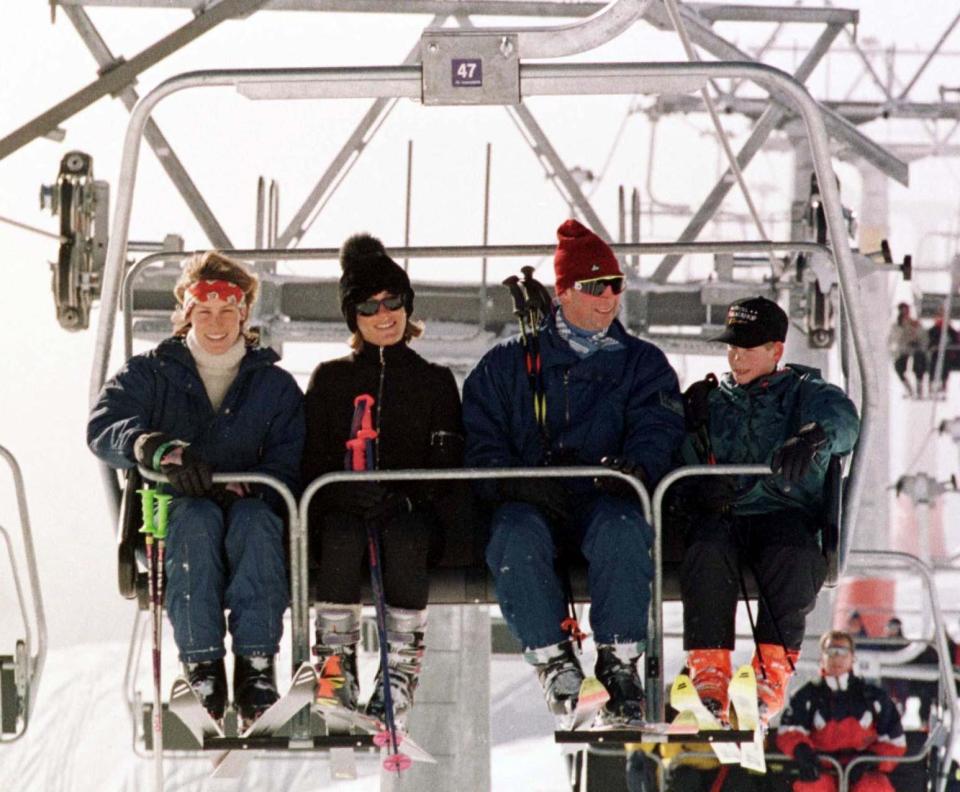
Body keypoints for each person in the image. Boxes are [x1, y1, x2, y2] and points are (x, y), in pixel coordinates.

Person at [462, 219, 685, 724]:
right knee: (513, 537)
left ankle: (619, 663)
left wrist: (636, 468)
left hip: (604, 497)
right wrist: (517, 481)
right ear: (563, 293)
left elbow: (659, 427)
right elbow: (482, 440)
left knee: (624, 531)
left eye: (616, 286)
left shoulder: (643, 365)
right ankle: (556, 665)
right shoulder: (506, 366)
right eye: (594, 287)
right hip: (533, 504)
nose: (609, 298)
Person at [87, 251, 304, 724]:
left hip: (254, 512)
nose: (216, 322)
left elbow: (293, 455)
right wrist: (153, 448)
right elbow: (104, 426)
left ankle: (255, 664)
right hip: (177, 511)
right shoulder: (151, 374)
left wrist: (260, 488)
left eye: (228, 310)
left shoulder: (273, 386)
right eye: (204, 311)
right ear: (186, 314)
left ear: (243, 314)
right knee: (196, 519)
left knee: (252, 523)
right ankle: (202, 663)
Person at [302, 233, 466, 725]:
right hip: (344, 512)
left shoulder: (434, 380)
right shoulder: (331, 380)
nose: (384, 314)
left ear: (407, 304)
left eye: (393, 301)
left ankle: (398, 669)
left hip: (412, 516)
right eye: (369, 307)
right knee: (340, 532)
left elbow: (449, 464)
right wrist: (341, 494)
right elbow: (311, 460)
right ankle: (336, 661)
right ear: (353, 317)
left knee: (405, 536)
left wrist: (409, 499)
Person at [673, 296, 860, 726]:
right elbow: (671, 441)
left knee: (792, 556)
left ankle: (769, 675)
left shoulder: (803, 395)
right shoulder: (710, 402)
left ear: (776, 350)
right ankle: (709, 673)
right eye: (731, 347)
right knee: (705, 549)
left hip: (783, 513)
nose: (736, 357)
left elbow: (844, 419)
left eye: (748, 347)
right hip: (724, 515)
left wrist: (814, 436)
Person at [777, 630, 907, 792]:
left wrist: (870, 761)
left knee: (874, 787)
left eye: (842, 652)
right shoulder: (807, 695)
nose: (836, 658)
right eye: (830, 652)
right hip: (821, 767)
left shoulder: (873, 697)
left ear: (853, 658)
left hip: (861, 770)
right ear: (822, 658)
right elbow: (789, 732)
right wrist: (804, 753)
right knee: (812, 786)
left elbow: (895, 740)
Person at [888, 302, 927, 397]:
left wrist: (915, 328)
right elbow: (893, 339)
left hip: (916, 350)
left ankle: (919, 389)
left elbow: (923, 337)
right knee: (899, 368)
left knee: (919, 366)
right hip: (903, 350)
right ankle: (909, 389)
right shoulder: (897, 325)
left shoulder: (915, 323)